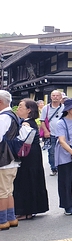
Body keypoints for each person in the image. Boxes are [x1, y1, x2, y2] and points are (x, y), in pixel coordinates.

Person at [12, 99, 49, 220]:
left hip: (27, 155)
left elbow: (21, 140)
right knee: (32, 179)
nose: (18, 109)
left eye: (21, 107)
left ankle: (26, 210)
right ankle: (32, 209)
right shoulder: (29, 122)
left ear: (29, 110)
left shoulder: (26, 124)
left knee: (25, 180)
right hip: (33, 153)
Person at [0, 90, 21, 230]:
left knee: (2, 191)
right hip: (13, 159)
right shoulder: (13, 115)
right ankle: (11, 218)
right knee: (8, 191)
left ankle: (2, 220)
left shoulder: (3, 118)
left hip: (4, 158)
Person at [40, 90, 64, 176]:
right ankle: (53, 168)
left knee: (63, 151)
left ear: (60, 97)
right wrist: (46, 131)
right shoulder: (45, 108)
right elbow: (42, 120)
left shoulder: (64, 107)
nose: (55, 97)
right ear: (50, 97)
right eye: (53, 95)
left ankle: (62, 167)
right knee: (52, 152)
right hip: (51, 133)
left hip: (62, 134)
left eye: (57, 95)